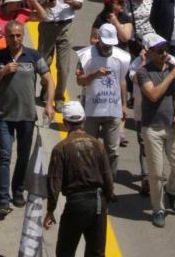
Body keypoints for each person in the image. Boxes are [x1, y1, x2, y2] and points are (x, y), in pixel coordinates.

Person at [0, 20, 55, 218]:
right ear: (5, 37)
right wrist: (2, 72)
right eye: (11, 36)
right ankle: (3, 200)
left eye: (18, 35)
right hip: (4, 116)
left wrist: (49, 104)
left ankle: (17, 191)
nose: (15, 39)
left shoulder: (33, 56)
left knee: (23, 156)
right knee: (5, 156)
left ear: (22, 36)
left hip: (27, 116)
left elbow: (48, 79)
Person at [44, 101, 114, 257]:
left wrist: (50, 210)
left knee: (65, 251)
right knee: (96, 253)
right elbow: (108, 177)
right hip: (98, 203)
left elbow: (54, 183)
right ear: (84, 121)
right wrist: (106, 201)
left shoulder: (60, 149)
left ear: (64, 123)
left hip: (76, 205)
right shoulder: (98, 145)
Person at [136, 33, 175, 228]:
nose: (164, 53)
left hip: (173, 127)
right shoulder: (143, 73)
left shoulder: (174, 69)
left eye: (165, 49)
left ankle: (172, 190)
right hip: (152, 128)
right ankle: (158, 209)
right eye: (159, 51)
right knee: (156, 173)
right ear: (149, 53)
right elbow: (153, 94)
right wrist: (171, 76)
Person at [76, 24, 130, 177]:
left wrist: (125, 105)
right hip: (92, 110)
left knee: (112, 150)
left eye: (111, 44)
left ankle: (109, 183)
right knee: (89, 149)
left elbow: (122, 82)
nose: (108, 47)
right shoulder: (86, 56)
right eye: (105, 43)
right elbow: (80, 81)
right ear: (98, 39)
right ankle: (90, 180)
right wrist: (94, 75)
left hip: (113, 111)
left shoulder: (122, 57)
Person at [34, 0, 83, 110]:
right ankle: (45, 87)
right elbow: (34, 4)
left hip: (65, 26)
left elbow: (80, 3)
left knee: (63, 66)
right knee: (44, 63)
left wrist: (72, 3)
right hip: (47, 25)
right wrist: (45, 4)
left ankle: (59, 97)